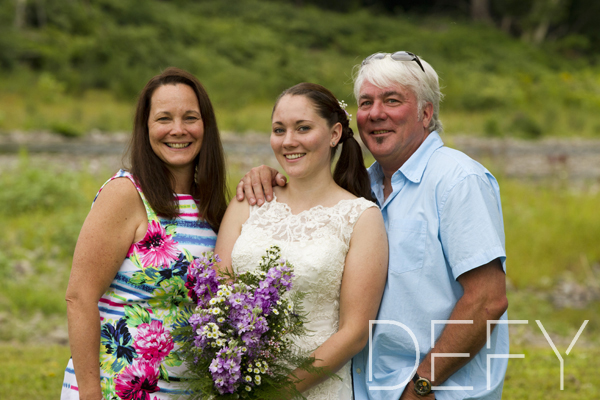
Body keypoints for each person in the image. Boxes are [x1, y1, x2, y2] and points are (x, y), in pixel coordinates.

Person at [237, 52, 509, 400]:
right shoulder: (361, 188)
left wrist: (422, 385)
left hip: (438, 392)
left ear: (426, 113)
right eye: (366, 102)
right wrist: (266, 176)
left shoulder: (457, 180)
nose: (376, 113)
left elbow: (487, 300)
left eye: (392, 100)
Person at [60, 67, 228, 400]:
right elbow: (79, 299)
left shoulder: (211, 205)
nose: (178, 130)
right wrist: (90, 393)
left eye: (190, 118)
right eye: (164, 118)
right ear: (146, 127)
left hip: (187, 392)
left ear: (205, 126)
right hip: (116, 388)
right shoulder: (126, 193)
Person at [214, 82, 388, 399]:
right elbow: (218, 293)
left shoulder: (361, 217)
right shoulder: (249, 200)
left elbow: (354, 333)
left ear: (335, 134)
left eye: (303, 128)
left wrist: (276, 394)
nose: (288, 141)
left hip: (318, 388)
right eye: (279, 130)